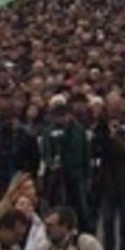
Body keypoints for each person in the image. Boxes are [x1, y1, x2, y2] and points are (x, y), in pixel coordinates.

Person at [40, 96, 92, 234]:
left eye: (64, 115)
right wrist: (51, 164)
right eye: (59, 116)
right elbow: (46, 152)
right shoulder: (49, 131)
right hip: (57, 175)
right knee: (58, 206)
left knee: (81, 206)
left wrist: (88, 175)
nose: (62, 119)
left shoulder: (79, 130)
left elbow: (86, 153)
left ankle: (84, 232)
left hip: (76, 173)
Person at [95, 117, 125, 250]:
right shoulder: (104, 141)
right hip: (108, 185)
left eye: (115, 125)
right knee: (107, 220)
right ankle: (109, 248)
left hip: (124, 185)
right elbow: (95, 152)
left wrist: (114, 138)